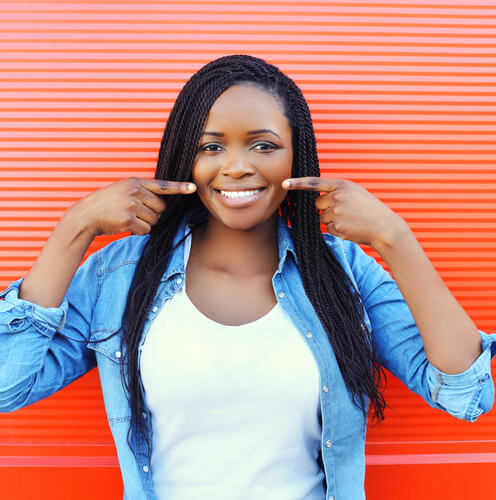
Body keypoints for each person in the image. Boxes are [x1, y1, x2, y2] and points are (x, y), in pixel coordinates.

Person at [0, 54, 494, 500]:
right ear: (184, 158)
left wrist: (395, 239)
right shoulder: (121, 274)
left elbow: (465, 396)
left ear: (295, 158)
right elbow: (7, 386)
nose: (236, 167)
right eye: (211, 147)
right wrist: (75, 227)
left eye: (262, 145)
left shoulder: (342, 271)